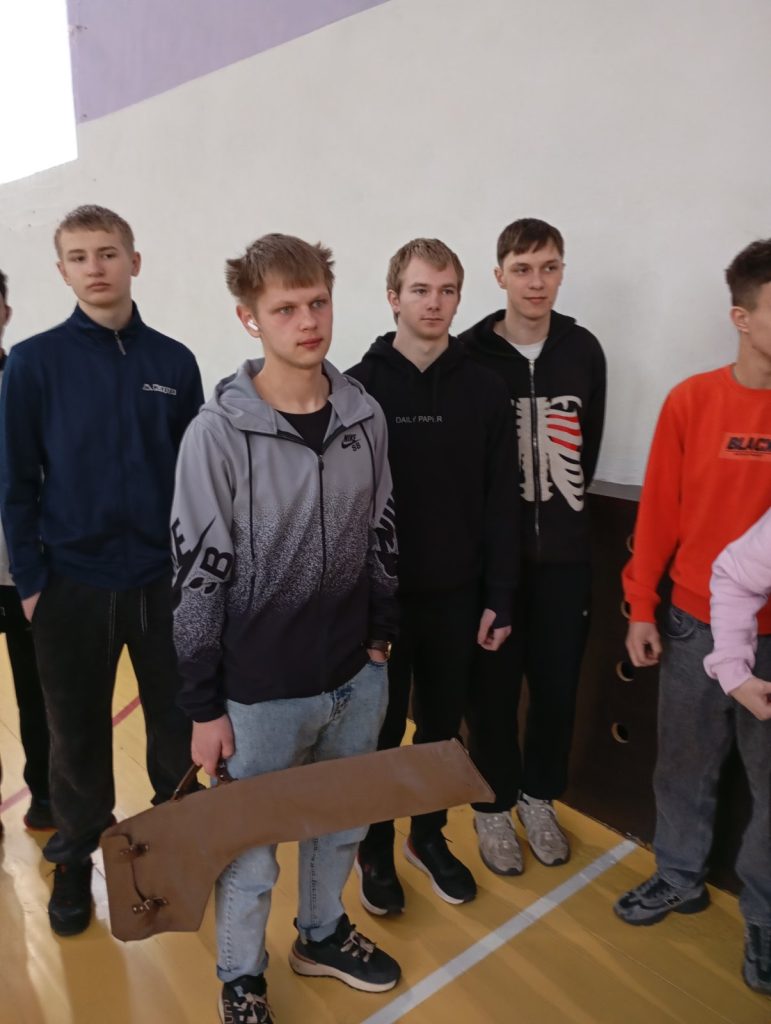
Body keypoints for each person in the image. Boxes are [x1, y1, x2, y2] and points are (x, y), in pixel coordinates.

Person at [172, 233, 401, 1024]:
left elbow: (382, 529)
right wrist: (204, 706)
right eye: (285, 309)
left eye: (317, 303)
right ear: (249, 318)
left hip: (355, 676)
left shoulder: (363, 413)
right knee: (251, 851)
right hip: (260, 693)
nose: (307, 322)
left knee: (338, 825)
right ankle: (241, 978)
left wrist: (379, 640)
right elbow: (197, 576)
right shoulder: (216, 434)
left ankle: (323, 934)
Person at [0, 206, 203, 937]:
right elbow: (15, 483)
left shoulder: (173, 363)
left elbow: (195, 482)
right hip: (71, 586)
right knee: (75, 738)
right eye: (80, 256)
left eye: (108, 253)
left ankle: (175, 847)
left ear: (133, 262)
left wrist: (194, 578)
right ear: (62, 271)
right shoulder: (33, 363)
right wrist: (32, 584)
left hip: (160, 583)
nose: (96, 267)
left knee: (176, 730)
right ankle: (74, 859)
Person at [616, 238, 771, 997]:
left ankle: (764, 917)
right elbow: (659, 512)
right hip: (690, 623)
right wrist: (639, 606)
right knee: (682, 764)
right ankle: (678, 876)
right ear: (740, 318)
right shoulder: (692, 401)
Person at [347, 238, 518, 911]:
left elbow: (501, 500)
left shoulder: (484, 388)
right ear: (394, 297)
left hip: (457, 597)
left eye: (447, 290)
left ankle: (427, 836)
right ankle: (374, 847)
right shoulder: (358, 388)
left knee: (441, 730)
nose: (434, 303)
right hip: (381, 603)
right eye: (420, 290)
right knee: (381, 733)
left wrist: (499, 594)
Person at [460, 218, 606, 874]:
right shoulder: (471, 354)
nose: (536, 282)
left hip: (565, 562)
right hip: (495, 564)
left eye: (548, 267)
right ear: (499, 276)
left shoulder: (583, 349)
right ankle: (491, 804)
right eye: (522, 269)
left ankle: (538, 796)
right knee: (491, 693)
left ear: (562, 272)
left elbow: (586, 446)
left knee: (556, 689)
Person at [0, 270, 53, 833]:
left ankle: (47, 797)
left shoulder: (28, 379)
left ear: (5, 313)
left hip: (26, 574)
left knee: (39, 698)